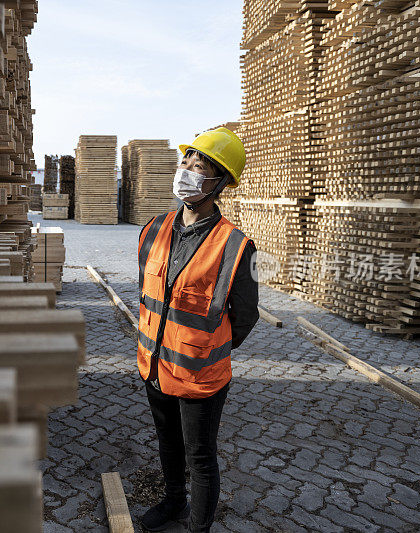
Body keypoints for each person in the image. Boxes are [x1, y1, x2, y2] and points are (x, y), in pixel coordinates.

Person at [137, 127, 260, 532]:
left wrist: (204, 346)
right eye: (185, 161)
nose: (186, 170)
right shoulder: (153, 228)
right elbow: (149, 292)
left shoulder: (237, 246)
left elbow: (245, 316)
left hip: (200, 374)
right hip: (154, 364)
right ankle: (173, 501)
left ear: (220, 182)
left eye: (199, 165)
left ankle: (199, 526)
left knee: (200, 456)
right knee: (168, 444)